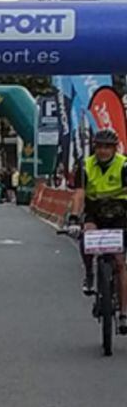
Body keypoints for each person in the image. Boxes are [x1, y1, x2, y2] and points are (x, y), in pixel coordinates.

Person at [70, 129, 127, 325]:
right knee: (86, 237)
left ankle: (123, 314)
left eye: (107, 147)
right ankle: (89, 272)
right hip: (95, 212)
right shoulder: (85, 166)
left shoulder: (124, 165)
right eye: (99, 147)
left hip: (120, 213)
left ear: (114, 149)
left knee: (120, 263)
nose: (103, 151)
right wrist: (73, 218)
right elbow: (78, 194)